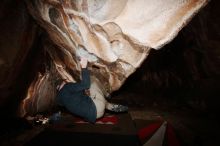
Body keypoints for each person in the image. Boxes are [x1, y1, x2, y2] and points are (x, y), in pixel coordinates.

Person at [56, 57, 128, 123]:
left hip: (94, 116)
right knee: (92, 81)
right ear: (61, 83)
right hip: (96, 105)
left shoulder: (61, 100)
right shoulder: (66, 88)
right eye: (64, 81)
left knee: (91, 96)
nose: (65, 82)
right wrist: (84, 67)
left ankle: (109, 106)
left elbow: (79, 97)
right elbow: (86, 84)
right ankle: (107, 93)